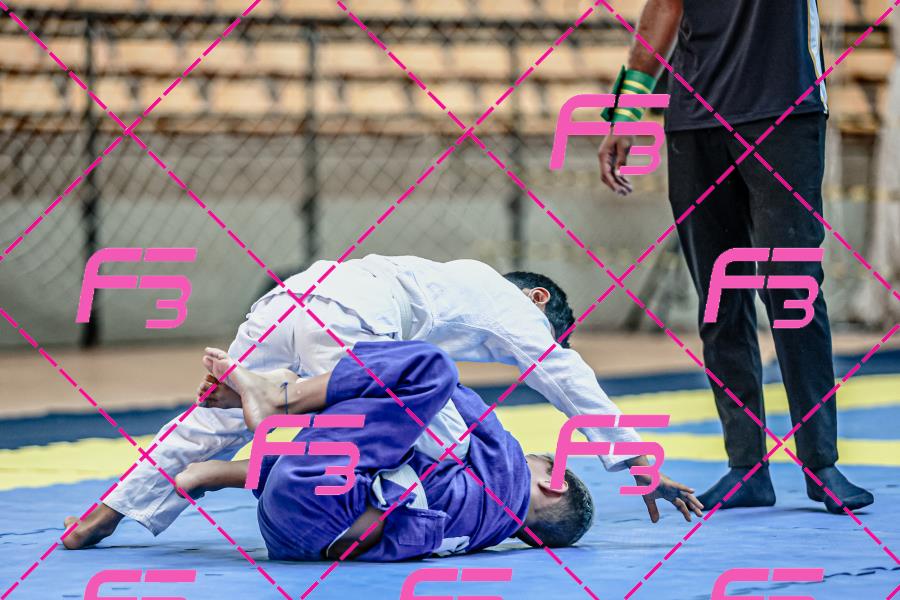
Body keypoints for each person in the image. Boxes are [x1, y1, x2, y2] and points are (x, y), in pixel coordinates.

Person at [62, 255, 699, 550]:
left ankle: (109, 512)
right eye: (550, 332)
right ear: (537, 301)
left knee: (210, 422)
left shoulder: (450, 282)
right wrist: (637, 462)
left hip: (294, 296)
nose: (542, 345)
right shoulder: (511, 305)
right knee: (438, 434)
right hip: (351, 319)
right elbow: (564, 374)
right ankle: (279, 408)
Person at [597, 0, 873, 512]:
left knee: (792, 290)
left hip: (784, 110)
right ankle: (746, 466)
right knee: (717, 299)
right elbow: (663, 8)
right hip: (694, 118)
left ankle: (822, 465)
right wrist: (627, 109)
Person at [176, 341, 607, 559]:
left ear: (551, 483)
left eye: (537, 460)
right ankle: (218, 472)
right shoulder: (481, 530)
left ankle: (282, 397)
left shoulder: (506, 472)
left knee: (432, 369)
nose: (524, 456)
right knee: (395, 454)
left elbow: (461, 399)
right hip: (292, 542)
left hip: (322, 494)